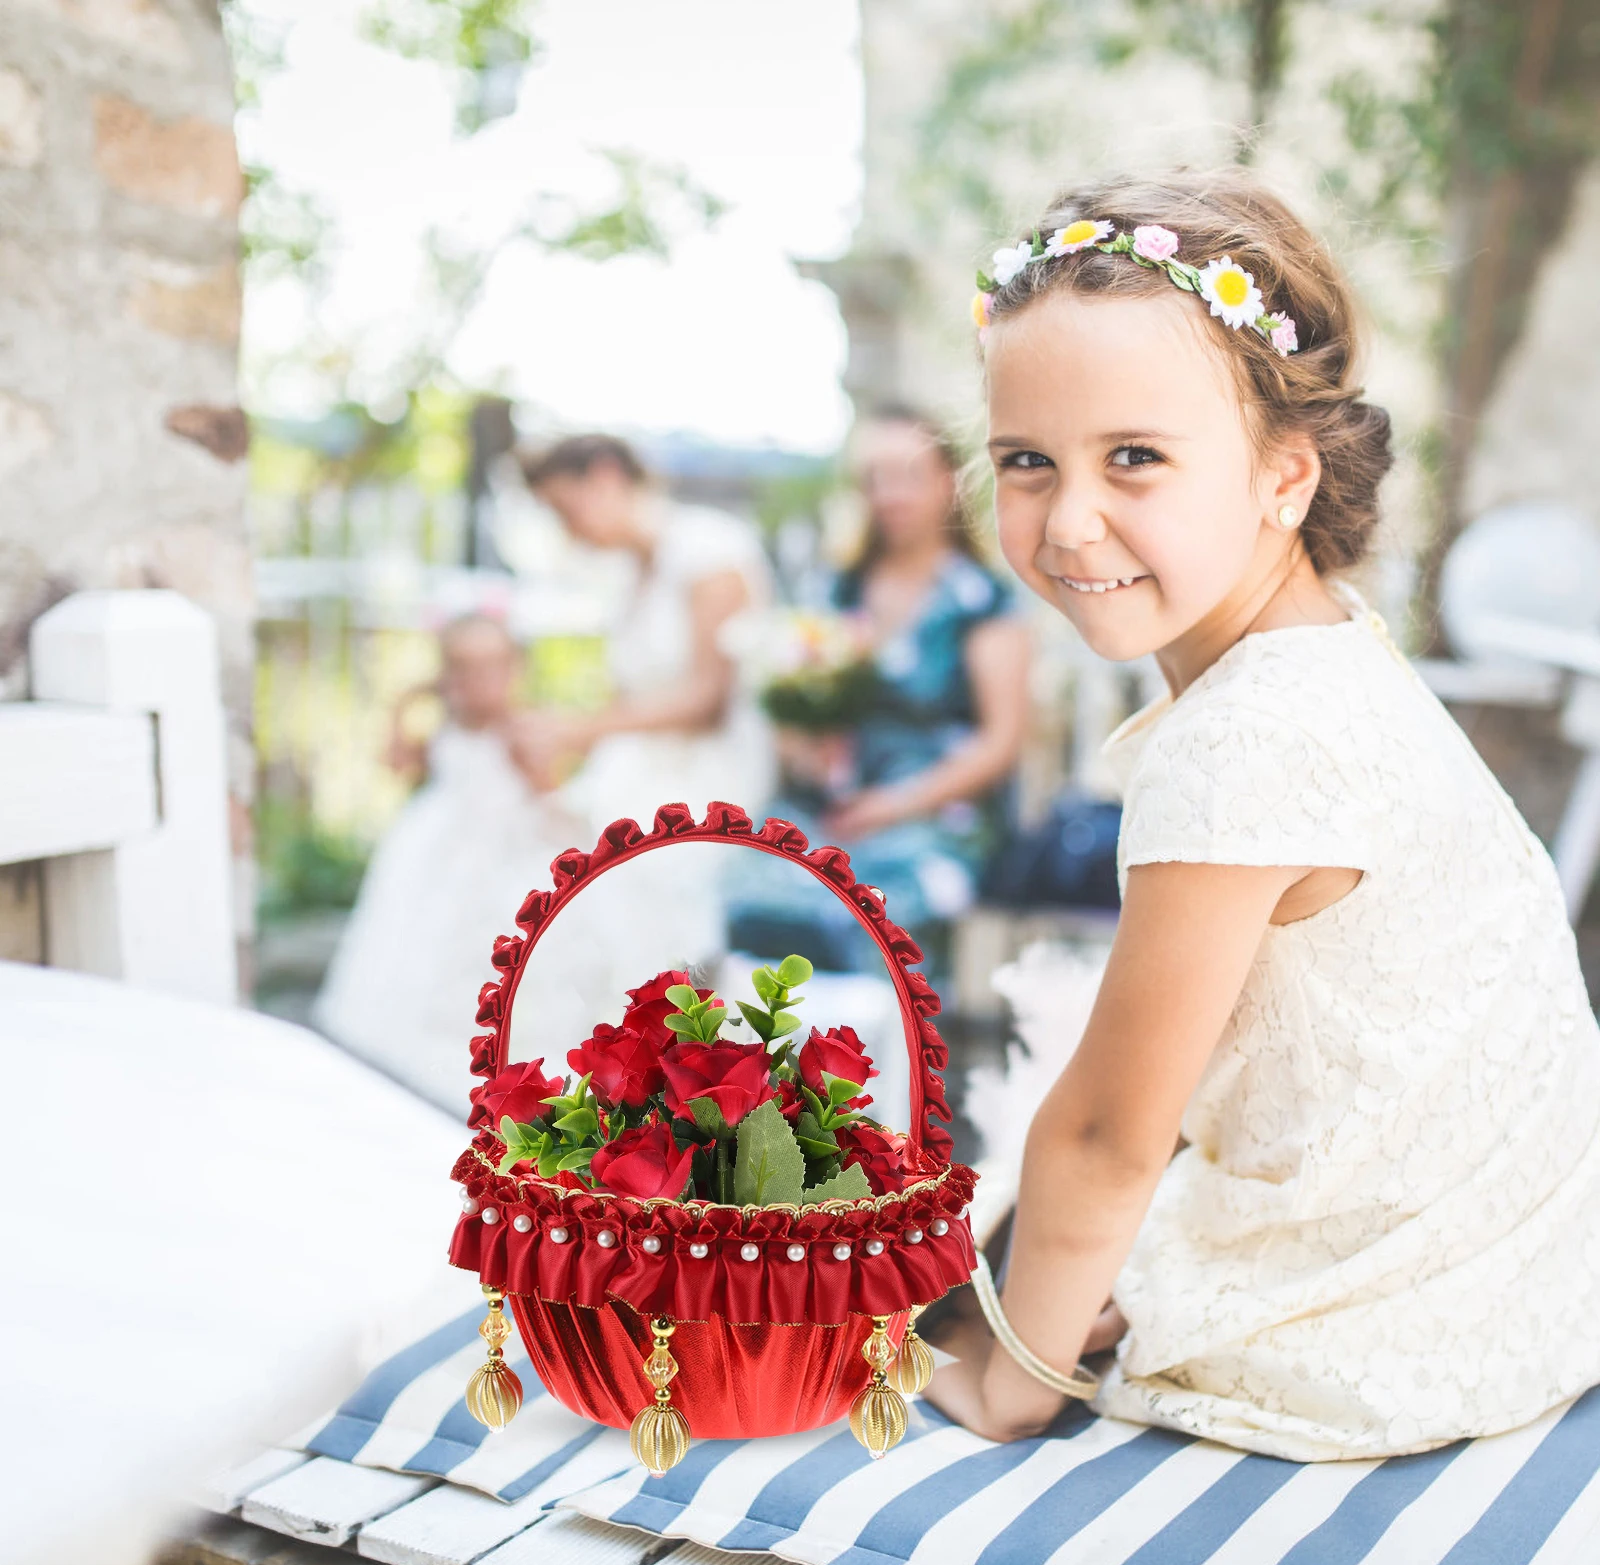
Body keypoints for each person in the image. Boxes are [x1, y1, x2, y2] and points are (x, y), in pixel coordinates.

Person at [925, 171, 1600, 1461]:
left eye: (1135, 457)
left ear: (1284, 478)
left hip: (1388, 1335)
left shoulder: (1244, 742)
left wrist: (1011, 1372)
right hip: (1515, 1273)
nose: (1071, 521)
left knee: (923, 1336)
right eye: (1026, 461)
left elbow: (1110, 1133)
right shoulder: (1332, 656)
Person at [728, 408, 1031, 972]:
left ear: (948, 482)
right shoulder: (836, 590)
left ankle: (889, 1054)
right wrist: (806, 746)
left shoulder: (980, 601)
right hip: (832, 807)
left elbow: (1001, 743)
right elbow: (793, 708)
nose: (890, 493)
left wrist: (891, 807)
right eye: (874, 478)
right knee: (747, 890)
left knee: (870, 913)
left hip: (935, 815)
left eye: (908, 475)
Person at [514, 434, 775, 984]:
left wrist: (581, 730)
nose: (568, 530)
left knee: (632, 872)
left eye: (566, 509)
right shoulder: (630, 575)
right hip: (638, 762)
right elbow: (631, 699)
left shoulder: (711, 551)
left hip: (710, 766)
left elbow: (707, 698)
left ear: (607, 477)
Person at [314, 613, 594, 1108]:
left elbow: (550, 796)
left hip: (500, 853)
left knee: (483, 952)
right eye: (463, 667)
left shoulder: (518, 730)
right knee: (414, 942)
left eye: (492, 666)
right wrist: (408, 701)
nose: (479, 681)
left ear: (515, 668)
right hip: (437, 853)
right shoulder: (449, 728)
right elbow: (398, 762)